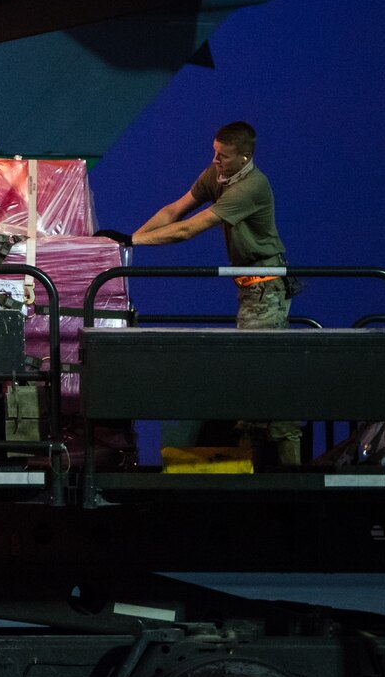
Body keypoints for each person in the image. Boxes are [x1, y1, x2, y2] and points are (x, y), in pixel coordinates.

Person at [99, 121, 301, 465]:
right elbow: (175, 211)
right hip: (249, 289)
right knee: (252, 376)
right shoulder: (218, 175)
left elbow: (190, 228)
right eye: (214, 152)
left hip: (265, 288)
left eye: (222, 155)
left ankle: (291, 467)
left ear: (244, 157)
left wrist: (133, 242)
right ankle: (256, 465)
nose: (215, 159)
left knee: (261, 375)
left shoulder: (252, 186)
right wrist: (130, 241)